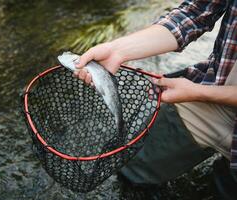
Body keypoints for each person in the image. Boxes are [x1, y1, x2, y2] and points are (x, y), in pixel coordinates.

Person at [73, 0, 237, 197]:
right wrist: (117, 50)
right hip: (215, 91)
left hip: (204, 93)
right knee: (133, 165)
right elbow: (194, 13)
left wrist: (197, 92)